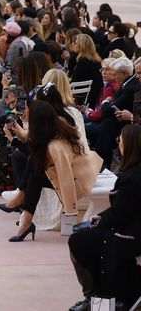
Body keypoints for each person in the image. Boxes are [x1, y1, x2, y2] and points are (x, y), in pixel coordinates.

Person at [4, 98, 102, 242]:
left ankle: (23, 209)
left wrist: (71, 213)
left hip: (79, 180)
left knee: (34, 175)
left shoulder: (55, 147)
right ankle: (25, 216)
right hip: (72, 173)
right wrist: (15, 134)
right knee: (34, 171)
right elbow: (35, 148)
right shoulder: (55, 127)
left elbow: (66, 179)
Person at [67, 124, 141, 311]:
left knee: (78, 240)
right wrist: (100, 218)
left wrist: (98, 221)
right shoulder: (133, 174)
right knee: (84, 236)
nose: (118, 144)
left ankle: (93, 296)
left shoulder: (132, 178)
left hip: (130, 237)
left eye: (120, 141)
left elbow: (119, 214)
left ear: (130, 145)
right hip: (130, 230)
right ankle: (93, 295)